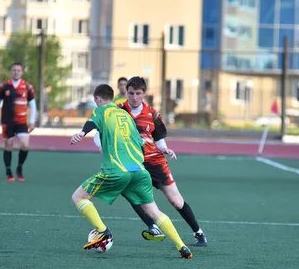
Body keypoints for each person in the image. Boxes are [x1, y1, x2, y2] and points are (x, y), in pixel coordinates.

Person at [70, 84, 193, 259]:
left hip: (117, 170)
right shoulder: (126, 116)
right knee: (154, 211)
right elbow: (140, 142)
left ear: (98, 99)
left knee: (78, 197)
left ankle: (103, 232)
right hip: (140, 171)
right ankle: (182, 247)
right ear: (113, 97)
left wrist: (81, 134)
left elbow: (91, 122)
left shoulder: (102, 110)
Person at [106, 76, 207, 247]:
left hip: (155, 161)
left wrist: (165, 149)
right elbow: (105, 132)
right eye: (131, 93)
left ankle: (199, 233)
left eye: (138, 93)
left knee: (176, 200)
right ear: (126, 93)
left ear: (144, 93)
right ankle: (153, 227)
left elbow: (159, 140)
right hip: (132, 163)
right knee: (132, 194)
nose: (134, 97)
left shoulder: (152, 114)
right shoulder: (117, 111)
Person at [0, 62, 37, 182]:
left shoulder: (27, 87)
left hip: (21, 122)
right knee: (8, 145)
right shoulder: (4, 86)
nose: (16, 72)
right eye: (14, 70)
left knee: (25, 145)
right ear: (11, 72)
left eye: (18, 70)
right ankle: (8, 171)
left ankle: (19, 168)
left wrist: (32, 121)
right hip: (7, 121)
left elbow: (32, 105)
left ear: (22, 72)